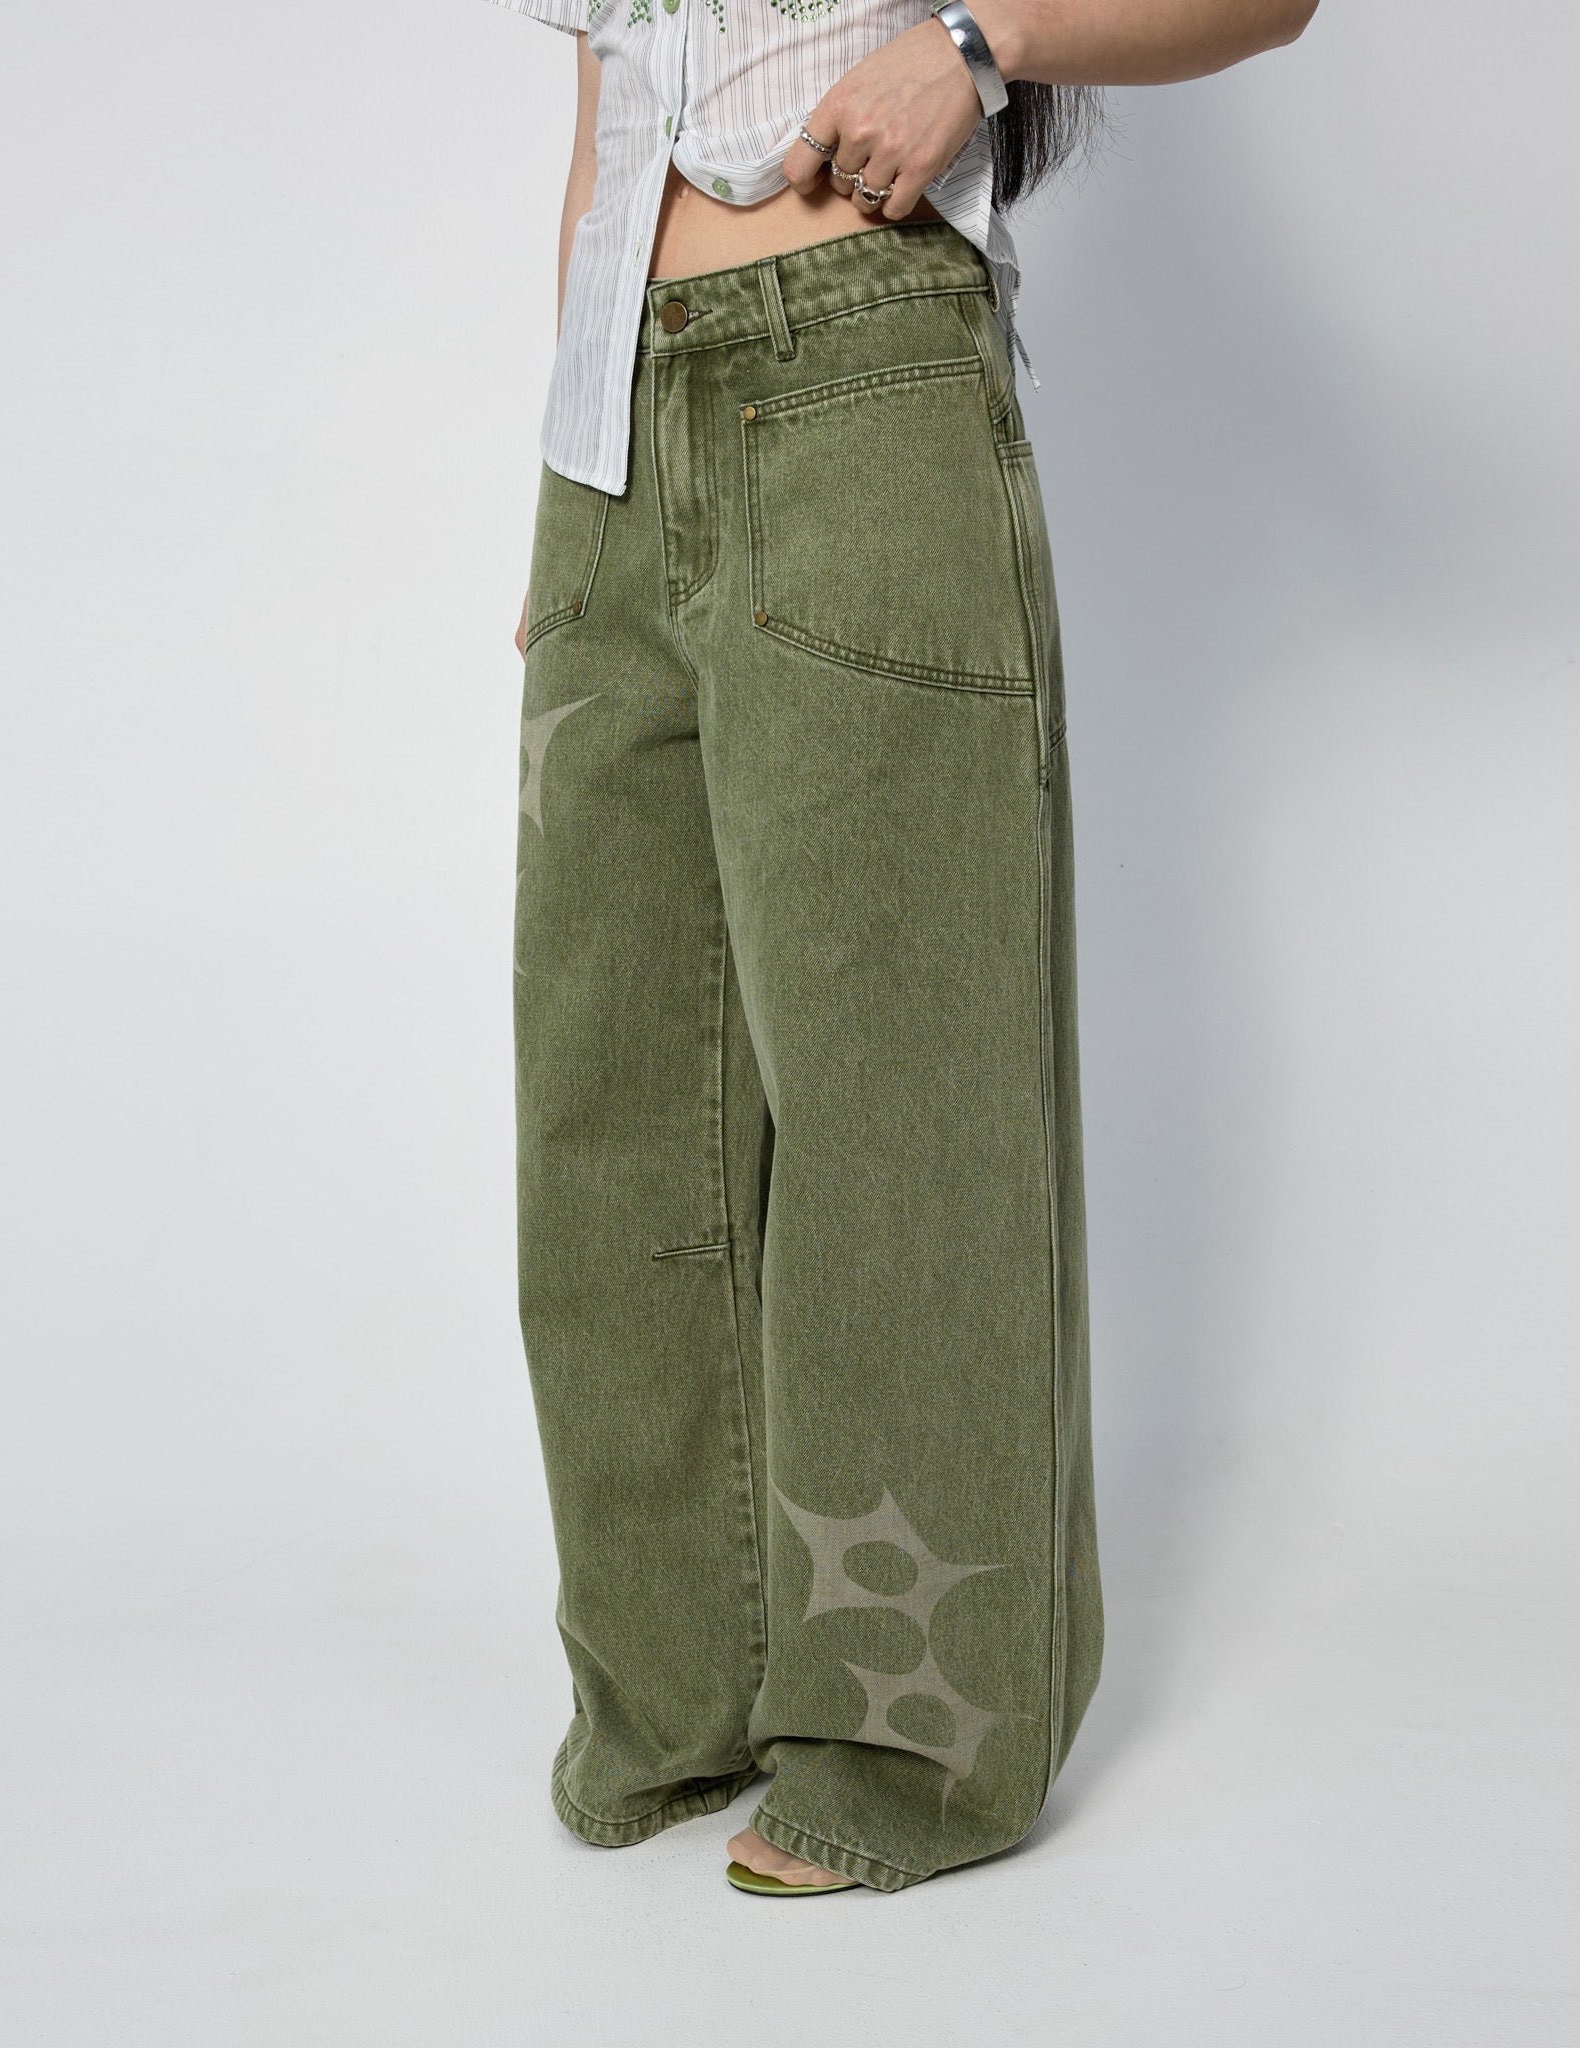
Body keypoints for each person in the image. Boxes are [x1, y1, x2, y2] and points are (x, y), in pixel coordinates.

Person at [487, 0, 1316, 1895]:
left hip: (862, 381)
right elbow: (606, 110)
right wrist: (569, 467)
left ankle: (907, 1744)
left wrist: (979, 43)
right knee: (610, 1105)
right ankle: (676, 1692)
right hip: (610, 441)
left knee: (896, 1096)